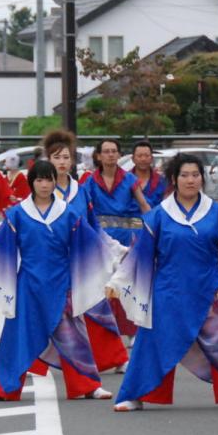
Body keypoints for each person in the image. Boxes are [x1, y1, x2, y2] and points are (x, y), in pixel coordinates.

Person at [108, 154, 218, 412]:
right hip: (168, 290)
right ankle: (136, 394)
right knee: (152, 343)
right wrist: (118, 281)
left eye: (195, 175)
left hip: (209, 289)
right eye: (184, 175)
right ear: (174, 179)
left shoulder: (217, 214)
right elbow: (140, 254)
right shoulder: (159, 216)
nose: (190, 180)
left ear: (203, 178)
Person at [0, 160, 113, 403]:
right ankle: (0, 388)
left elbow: (89, 245)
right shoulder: (17, 214)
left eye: (49, 179)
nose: (44, 184)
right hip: (28, 285)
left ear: (55, 182)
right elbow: (1, 249)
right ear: (32, 183)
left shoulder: (68, 213)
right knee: (16, 336)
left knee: (73, 336)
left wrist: (115, 262)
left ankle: (88, 385)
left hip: (61, 283)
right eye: (39, 180)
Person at [44, 129, 127, 374]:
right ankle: (37, 360)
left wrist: (116, 249)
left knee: (96, 306)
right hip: (52, 261)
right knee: (46, 310)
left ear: (72, 161)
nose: (62, 162)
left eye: (66, 157)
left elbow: (93, 226)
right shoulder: (42, 191)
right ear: (49, 160)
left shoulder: (80, 191)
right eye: (57, 157)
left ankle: (115, 357)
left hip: (83, 261)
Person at [81, 137, 152, 368]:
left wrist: (156, 228)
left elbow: (144, 206)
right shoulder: (90, 182)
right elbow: (82, 211)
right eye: (106, 151)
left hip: (125, 240)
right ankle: (109, 348)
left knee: (125, 289)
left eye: (114, 151)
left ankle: (130, 333)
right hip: (100, 242)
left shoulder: (129, 179)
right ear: (99, 156)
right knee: (102, 293)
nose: (111, 155)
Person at [128, 140, 169, 210]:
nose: (143, 159)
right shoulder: (124, 181)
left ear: (152, 158)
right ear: (133, 159)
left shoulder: (163, 181)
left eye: (147, 156)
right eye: (139, 156)